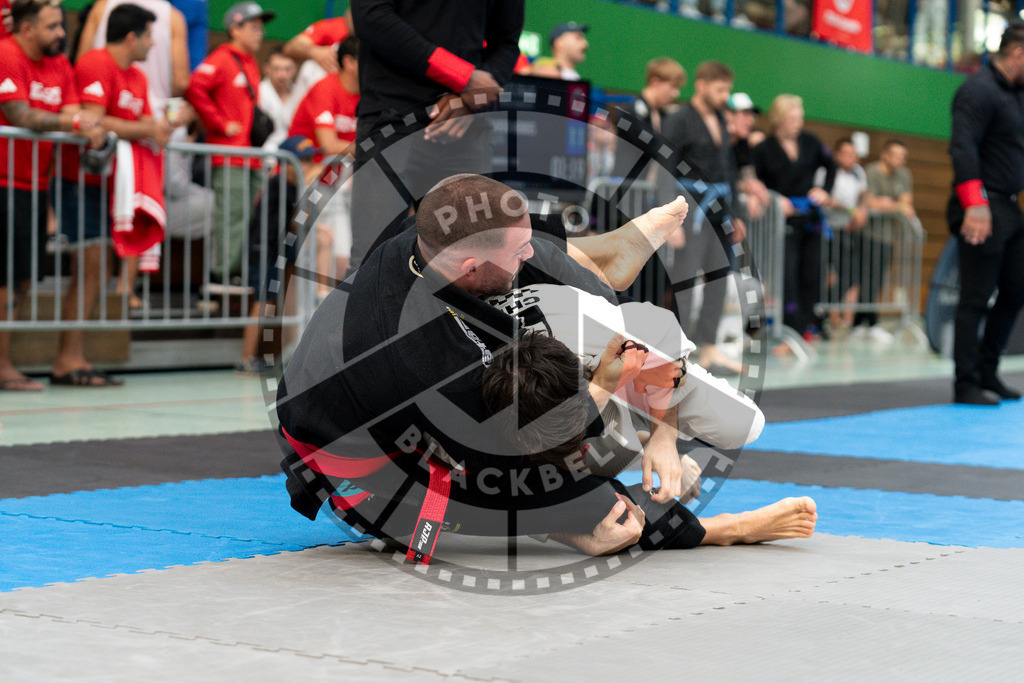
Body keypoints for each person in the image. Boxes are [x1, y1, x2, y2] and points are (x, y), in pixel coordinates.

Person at [276, 173, 814, 559]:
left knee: (531, 280)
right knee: (614, 527)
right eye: (518, 251)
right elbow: (533, 444)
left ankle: (601, 255)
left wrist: (662, 431)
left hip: (389, 386)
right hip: (371, 476)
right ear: (467, 266)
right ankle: (724, 530)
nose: (530, 254)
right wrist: (608, 385)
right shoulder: (419, 366)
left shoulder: (419, 239)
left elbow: (512, 253)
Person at [482, 332, 812, 553]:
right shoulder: (486, 451)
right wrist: (587, 541)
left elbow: (665, 344)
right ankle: (727, 528)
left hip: (573, 382)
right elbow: (520, 511)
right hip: (520, 454)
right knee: (620, 516)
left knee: (743, 423)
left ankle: (649, 450)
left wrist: (662, 440)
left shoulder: (582, 332)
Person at [345, 0, 523, 272]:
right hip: (392, 116)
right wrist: (460, 76)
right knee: (372, 264)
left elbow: (507, 42)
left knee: (472, 266)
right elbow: (370, 16)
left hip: (466, 125)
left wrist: (470, 98)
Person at [51, 2, 173, 386]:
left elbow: (145, 125)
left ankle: (74, 357)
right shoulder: (95, 63)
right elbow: (93, 119)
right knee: (88, 266)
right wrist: (147, 129)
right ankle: (67, 359)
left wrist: (162, 126)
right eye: (150, 36)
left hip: (111, 186)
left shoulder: (136, 77)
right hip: (78, 181)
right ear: (132, 36)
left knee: (97, 268)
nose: (154, 45)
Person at [0, 0, 105, 391]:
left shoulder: (59, 64)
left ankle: (4, 363)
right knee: (7, 278)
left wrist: (81, 121)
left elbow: (77, 112)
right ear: (26, 29)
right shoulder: (6, 53)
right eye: (52, 27)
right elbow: (21, 115)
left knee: (23, 277)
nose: (62, 33)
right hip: (3, 180)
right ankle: (2, 366)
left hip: (33, 183)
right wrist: (75, 122)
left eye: (61, 25)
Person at [947, 22, 1024, 405]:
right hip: (981, 205)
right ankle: (966, 382)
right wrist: (974, 203)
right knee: (975, 297)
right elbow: (963, 148)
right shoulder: (977, 90)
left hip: (1010, 208)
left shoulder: (1016, 95)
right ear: (1018, 54)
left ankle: (988, 371)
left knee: (1015, 290)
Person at [662, 61, 746, 375]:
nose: (725, 95)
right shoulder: (679, 119)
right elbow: (663, 167)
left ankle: (708, 346)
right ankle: (677, 348)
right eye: (720, 89)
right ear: (701, 85)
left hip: (719, 209)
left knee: (719, 276)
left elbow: (730, 170)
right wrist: (671, 218)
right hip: (689, 207)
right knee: (684, 278)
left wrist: (737, 214)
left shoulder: (721, 121)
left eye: (727, 89)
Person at [186, 1, 273, 280]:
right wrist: (220, 123)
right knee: (230, 216)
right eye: (253, 27)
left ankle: (234, 273)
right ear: (235, 29)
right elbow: (195, 87)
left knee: (245, 216)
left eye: (261, 27)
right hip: (228, 154)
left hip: (250, 155)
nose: (259, 33)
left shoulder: (249, 61)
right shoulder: (224, 57)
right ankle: (221, 274)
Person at [237, 135, 324, 374]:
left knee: (270, 302)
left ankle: (270, 355)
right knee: (262, 301)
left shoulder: (289, 184)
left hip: (276, 252)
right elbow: (295, 223)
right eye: (302, 161)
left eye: (309, 160)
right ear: (286, 164)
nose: (307, 165)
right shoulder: (280, 184)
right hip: (264, 251)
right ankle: (246, 358)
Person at [753, 93, 836, 342]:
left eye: (800, 118)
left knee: (812, 274)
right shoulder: (763, 149)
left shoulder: (810, 141)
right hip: (781, 221)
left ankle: (807, 327)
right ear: (779, 119)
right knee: (787, 276)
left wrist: (825, 191)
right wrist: (772, 198)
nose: (798, 123)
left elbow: (831, 166)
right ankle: (791, 328)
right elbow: (754, 182)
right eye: (792, 118)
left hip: (809, 218)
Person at [287, 37, 359, 291]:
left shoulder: (364, 95)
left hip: (338, 182)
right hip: (304, 178)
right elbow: (328, 144)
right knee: (318, 256)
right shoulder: (325, 88)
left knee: (344, 255)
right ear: (349, 62)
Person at [855, 139, 915, 342]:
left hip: (888, 237)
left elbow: (906, 203)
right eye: (895, 155)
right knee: (866, 278)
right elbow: (871, 201)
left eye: (902, 157)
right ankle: (866, 323)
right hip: (868, 234)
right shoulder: (872, 171)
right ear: (885, 155)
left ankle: (862, 323)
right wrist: (892, 206)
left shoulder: (904, 175)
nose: (899, 160)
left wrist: (889, 204)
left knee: (878, 279)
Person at [820, 138, 867, 332]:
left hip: (846, 230)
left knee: (850, 275)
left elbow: (863, 194)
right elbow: (825, 199)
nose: (850, 158)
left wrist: (861, 210)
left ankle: (827, 309)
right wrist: (850, 210)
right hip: (826, 229)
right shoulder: (826, 171)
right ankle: (822, 313)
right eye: (845, 153)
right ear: (837, 154)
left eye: (853, 154)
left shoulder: (858, 173)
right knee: (827, 274)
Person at [281, 10, 351, 103]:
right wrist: (314, 51)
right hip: (324, 96)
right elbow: (290, 48)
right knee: (311, 66)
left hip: (355, 98)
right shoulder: (336, 26)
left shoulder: (373, 32)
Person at [627, 57, 685, 135]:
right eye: (673, 87)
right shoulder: (634, 112)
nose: (676, 93)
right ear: (655, 82)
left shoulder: (662, 114)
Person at [258, 47, 299, 152]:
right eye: (276, 68)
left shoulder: (299, 94)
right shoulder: (259, 92)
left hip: (293, 156)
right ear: (266, 69)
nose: (282, 75)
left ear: (295, 69)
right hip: (264, 154)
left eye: (287, 69)